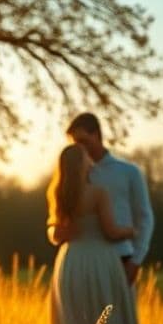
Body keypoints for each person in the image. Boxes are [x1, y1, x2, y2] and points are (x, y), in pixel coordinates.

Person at [47, 141, 152, 324]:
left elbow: (56, 234)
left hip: (69, 264)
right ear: (82, 165)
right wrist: (130, 231)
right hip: (99, 264)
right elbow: (110, 231)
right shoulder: (97, 193)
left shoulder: (58, 194)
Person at [66, 113, 154, 290]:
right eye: (75, 143)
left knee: (115, 316)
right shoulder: (72, 177)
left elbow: (145, 218)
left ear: (97, 135)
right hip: (80, 263)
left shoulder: (129, 172)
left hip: (120, 259)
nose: (79, 148)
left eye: (83, 141)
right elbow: (57, 218)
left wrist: (135, 261)